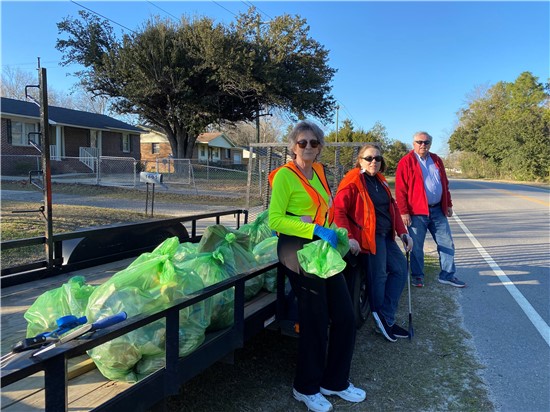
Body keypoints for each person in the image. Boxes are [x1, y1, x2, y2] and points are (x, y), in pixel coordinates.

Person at [268, 120, 366, 412]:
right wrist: (308, 228)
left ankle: (334, 381)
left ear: (320, 147)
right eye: (302, 143)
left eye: (314, 143)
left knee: (346, 316)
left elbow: (326, 211)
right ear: (293, 146)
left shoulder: (321, 171)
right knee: (315, 317)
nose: (308, 147)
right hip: (295, 247)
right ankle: (306, 387)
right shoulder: (285, 176)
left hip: (321, 249)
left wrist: (336, 232)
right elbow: (275, 220)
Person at [333, 144, 413, 342]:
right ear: (360, 160)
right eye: (369, 158)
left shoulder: (380, 180)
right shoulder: (353, 180)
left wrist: (403, 233)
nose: (374, 162)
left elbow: (392, 207)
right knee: (379, 277)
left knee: (401, 270)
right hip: (369, 237)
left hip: (386, 235)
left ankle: (386, 316)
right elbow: (338, 211)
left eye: (377, 158)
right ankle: (381, 319)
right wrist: (349, 236)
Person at [395, 131, 465, 288]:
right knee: (416, 246)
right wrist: (404, 211)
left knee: (447, 242)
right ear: (413, 144)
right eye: (419, 142)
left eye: (426, 142)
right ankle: (417, 276)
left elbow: (444, 184)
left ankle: (447, 275)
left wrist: (448, 205)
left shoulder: (436, 160)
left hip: (437, 211)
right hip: (416, 212)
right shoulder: (406, 162)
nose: (423, 145)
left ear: (430, 144)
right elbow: (400, 190)